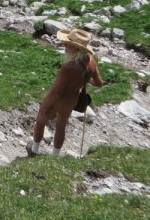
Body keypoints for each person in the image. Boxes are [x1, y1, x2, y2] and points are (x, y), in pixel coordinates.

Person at [27, 28, 103, 157]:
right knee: (61, 126)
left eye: (68, 44)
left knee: (41, 120)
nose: (65, 46)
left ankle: (34, 151)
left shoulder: (68, 67)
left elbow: (56, 91)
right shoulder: (91, 61)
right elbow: (99, 83)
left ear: (76, 49)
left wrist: (46, 105)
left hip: (58, 99)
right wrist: (84, 79)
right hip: (72, 100)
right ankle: (55, 156)